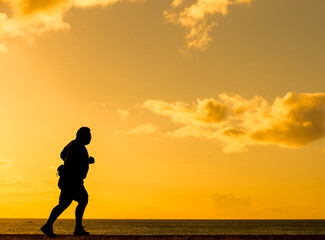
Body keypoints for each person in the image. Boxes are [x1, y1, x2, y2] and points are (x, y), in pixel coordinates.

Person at [41, 127, 95, 238]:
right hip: (72, 180)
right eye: (88, 136)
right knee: (83, 199)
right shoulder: (77, 146)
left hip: (70, 180)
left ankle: (48, 225)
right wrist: (87, 161)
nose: (90, 138)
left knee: (64, 204)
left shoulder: (73, 144)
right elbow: (73, 161)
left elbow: (62, 155)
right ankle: (78, 228)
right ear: (81, 135)